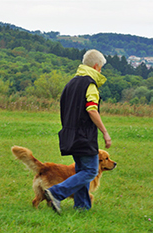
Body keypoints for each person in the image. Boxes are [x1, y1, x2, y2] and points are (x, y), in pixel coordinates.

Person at [44, 49, 112, 214]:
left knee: (82, 170)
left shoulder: (71, 83)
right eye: (101, 68)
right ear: (96, 66)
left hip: (70, 135)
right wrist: (104, 132)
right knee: (90, 171)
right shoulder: (90, 84)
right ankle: (55, 192)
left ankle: (82, 207)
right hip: (84, 136)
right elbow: (91, 110)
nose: (101, 71)